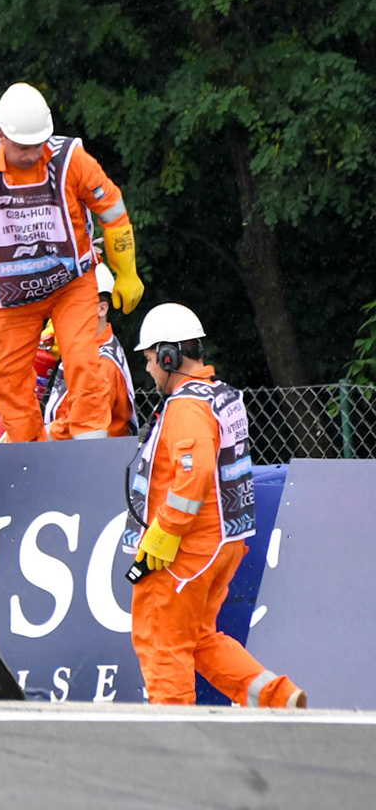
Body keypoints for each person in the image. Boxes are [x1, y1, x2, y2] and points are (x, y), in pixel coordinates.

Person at [123, 303, 304, 708]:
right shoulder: (220, 395)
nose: (149, 369)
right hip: (221, 542)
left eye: (151, 359)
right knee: (200, 639)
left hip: (186, 547)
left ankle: (176, 739)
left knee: (162, 640)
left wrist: (164, 533)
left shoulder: (187, 406)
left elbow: (195, 474)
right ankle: (279, 699)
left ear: (170, 355)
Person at [0, 82, 144, 443]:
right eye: (23, 146)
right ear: (1, 137)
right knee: (4, 379)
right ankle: (27, 454)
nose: (34, 153)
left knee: (84, 362)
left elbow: (113, 211)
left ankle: (90, 453)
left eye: (39, 144)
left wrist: (126, 272)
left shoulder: (71, 160)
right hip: (12, 294)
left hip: (72, 284)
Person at [44, 264, 138, 439]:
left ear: (101, 308)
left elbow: (72, 426)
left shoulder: (100, 364)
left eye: (74, 305)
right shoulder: (91, 349)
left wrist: (24, 436)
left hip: (91, 460)